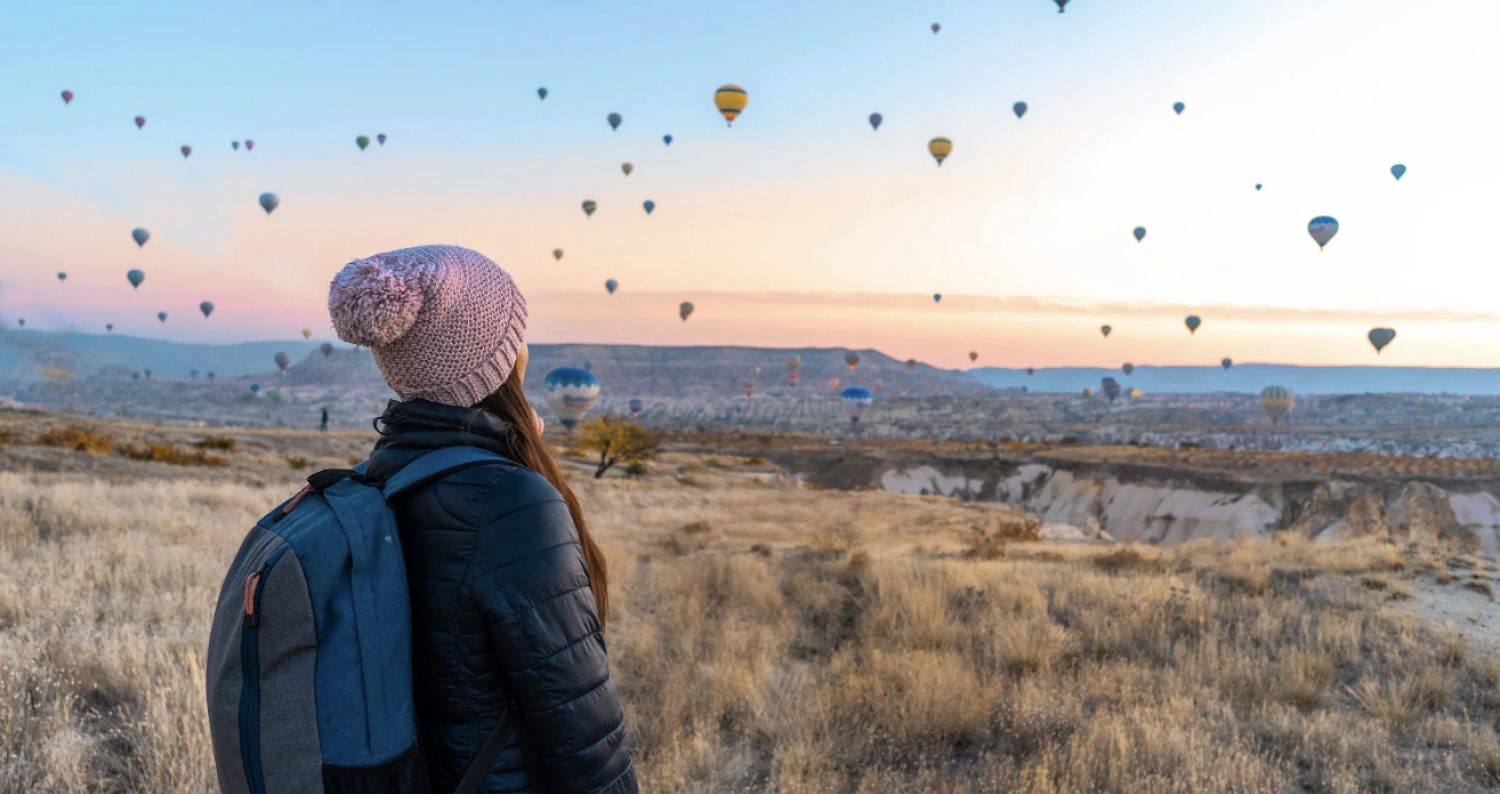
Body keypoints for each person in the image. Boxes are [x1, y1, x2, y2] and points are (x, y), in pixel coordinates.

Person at [327, 245, 636, 793]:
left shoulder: (383, 474)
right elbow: (582, 729)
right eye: (516, 334)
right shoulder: (510, 501)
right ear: (498, 356)